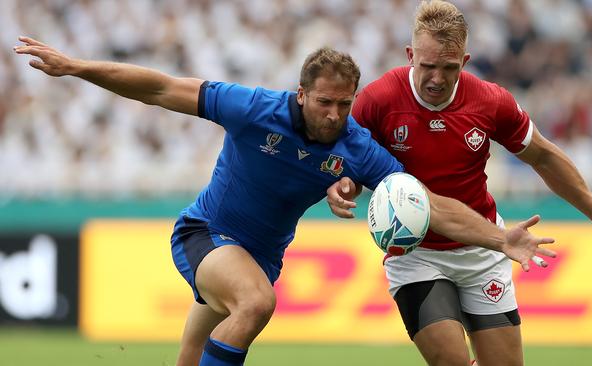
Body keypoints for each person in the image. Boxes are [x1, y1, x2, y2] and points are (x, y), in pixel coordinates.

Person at [14, 36, 555, 366]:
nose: (334, 114)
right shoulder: (252, 108)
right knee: (255, 304)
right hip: (205, 234)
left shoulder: (356, 148)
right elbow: (159, 88)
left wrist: (497, 235)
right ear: (301, 94)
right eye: (324, 102)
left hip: (259, 259)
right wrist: (79, 68)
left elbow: (428, 202)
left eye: (345, 104)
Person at [327, 1, 592, 366]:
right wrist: (343, 187)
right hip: (415, 254)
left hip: (484, 248)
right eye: (428, 65)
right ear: (410, 55)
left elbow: (544, 157)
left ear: (465, 60)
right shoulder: (379, 100)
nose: (437, 78)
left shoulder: (490, 101)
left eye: (449, 67)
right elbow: (347, 165)